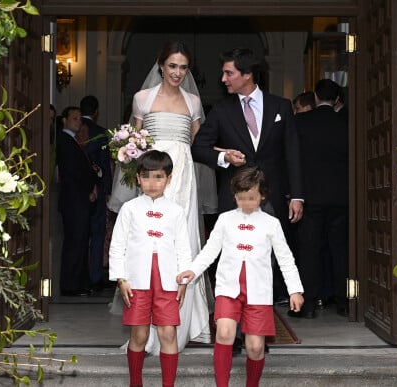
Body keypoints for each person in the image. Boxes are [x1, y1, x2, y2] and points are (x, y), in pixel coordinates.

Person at [191, 46, 303, 350]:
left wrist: (298, 196)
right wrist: (225, 157)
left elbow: (292, 153)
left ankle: (257, 328)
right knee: (233, 258)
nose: (223, 78)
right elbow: (198, 148)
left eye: (229, 73)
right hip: (234, 198)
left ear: (247, 74)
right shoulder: (222, 110)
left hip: (273, 197)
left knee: (264, 262)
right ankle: (237, 331)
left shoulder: (281, 106)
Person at [110, 41, 211, 354]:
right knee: (150, 239)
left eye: (183, 67)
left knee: (183, 242)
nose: (177, 72)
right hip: (153, 174)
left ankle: (186, 322)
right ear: (161, 66)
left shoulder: (194, 102)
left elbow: (195, 142)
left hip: (183, 175)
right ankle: (148, 327)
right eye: (172, 66)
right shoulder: (143, 98)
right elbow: (133, 142)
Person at [176, 166, 304, 387]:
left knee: (255, 347)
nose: (245, 203)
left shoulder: (271, 224)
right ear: (234, 195)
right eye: (240, 198)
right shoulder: (225, 220)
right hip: (228, 289)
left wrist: (295, 290)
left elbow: (285, 258)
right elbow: (210, 251)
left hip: (259, 293)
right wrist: (193, 270)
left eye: (251, 198)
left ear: (262, 196)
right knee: (225, 333)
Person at [109, 150, 190, 387]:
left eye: (158, 177)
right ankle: (136, 382)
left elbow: (183, 249)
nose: (152, 183)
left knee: (168, 334)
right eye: (146, 177)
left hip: (168, 279)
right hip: (137, 281)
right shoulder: (130, 209)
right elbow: (117, 247)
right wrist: (121, 279)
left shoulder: (176, 211)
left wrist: (183, 281)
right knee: (139, 335)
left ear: (169, 178)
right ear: (137, 179)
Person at [291, 78, 349, 318]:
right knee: (341, 251)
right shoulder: (346, 123)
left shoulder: (300, 122)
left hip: (310, 195)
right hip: (341, 197)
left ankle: (309, 304)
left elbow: (293, 158)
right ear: (336, 100)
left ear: (315, 97)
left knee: (309, 251)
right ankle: (345, 301)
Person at [55, 106, 99, 296]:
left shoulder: (72, 141)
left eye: (80, 119)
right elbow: (73, 171)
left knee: (81, 241)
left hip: (79, 198)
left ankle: (79, 282)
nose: (78, 122)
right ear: (64, 120)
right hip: (74, 199)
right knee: (75, 242)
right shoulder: (64, 141)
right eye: (74, 118)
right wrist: (90, 182)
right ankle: (70, 284)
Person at [79, 95, 112, 293]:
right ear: (96, 111)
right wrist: (106, 190)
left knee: (80, 234)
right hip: (97, 189)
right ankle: (95, 277)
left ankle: (81, 275)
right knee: (97, 233)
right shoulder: (100, 133)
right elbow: (105, 164)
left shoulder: (74, 130)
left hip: (77, 190)